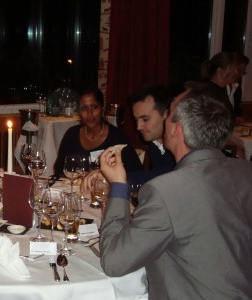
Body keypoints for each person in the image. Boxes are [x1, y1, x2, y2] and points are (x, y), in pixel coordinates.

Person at [95, 88, 252, 299]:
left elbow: (114, 262)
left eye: (168, 114)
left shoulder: (166, 190)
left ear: (176, 129)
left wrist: (118, 185)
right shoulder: (245, 171)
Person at [53, 87, 142, 176]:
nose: (89, 113)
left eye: (94, 107)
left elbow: (136, 173)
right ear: (79, 112)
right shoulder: (71, 135)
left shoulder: (118, 137)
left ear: (102, 108)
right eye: (84, 109)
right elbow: (60, 170)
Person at [126, 84, 175, 185]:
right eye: (136, 120)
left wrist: (118, 179)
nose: (138, 127)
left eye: (145, 119)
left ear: (166, 115)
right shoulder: (155, 143)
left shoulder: (183, 143)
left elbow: (168, 177)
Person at [227, 53, 249, 121]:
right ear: (229, 68)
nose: (240, 75)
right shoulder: (218, 87)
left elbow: (238, 111)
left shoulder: (237, 87)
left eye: (243, 72)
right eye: (239, 71)